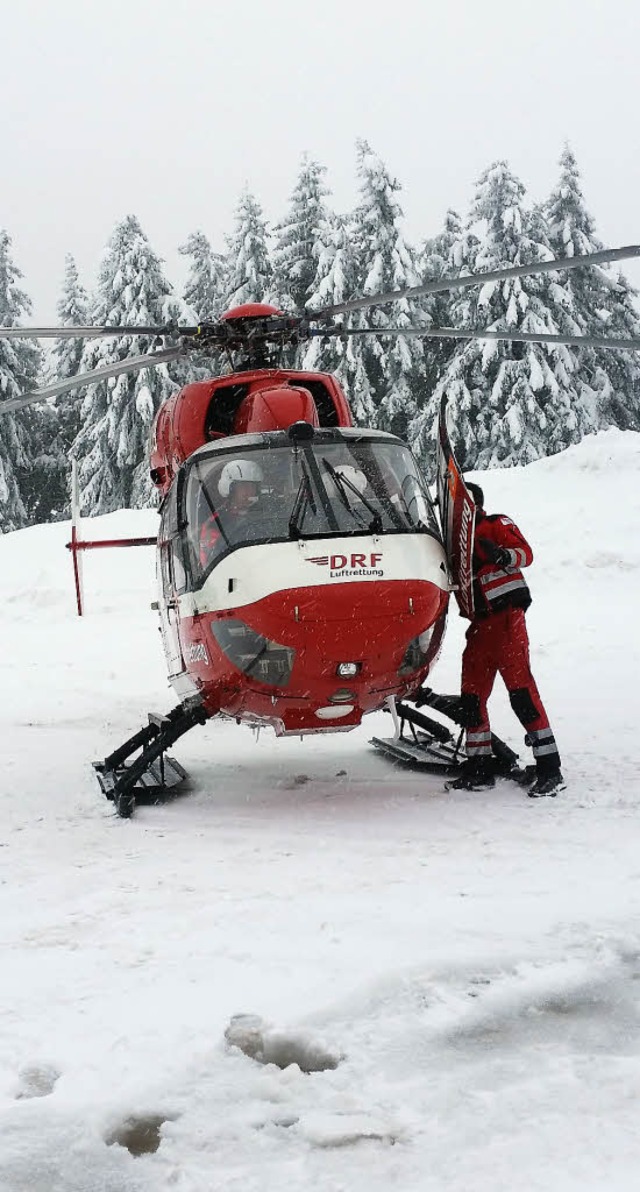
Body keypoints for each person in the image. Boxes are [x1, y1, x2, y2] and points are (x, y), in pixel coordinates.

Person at [450, 481, 564, 797]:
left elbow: (525, 554)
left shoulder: (495, 523)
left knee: (521, 694)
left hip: (507, 622)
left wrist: (499, 555)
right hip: (479, 628)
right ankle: (480, 768)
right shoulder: (454, 545)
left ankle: (549, 768)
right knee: (471, 698)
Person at [199, 458, 263, 565]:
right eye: (243, 486)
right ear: (229, 488)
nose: (249, 492)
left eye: (252, 486)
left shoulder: (266, 511)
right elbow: (211, 560)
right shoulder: (216, 523)